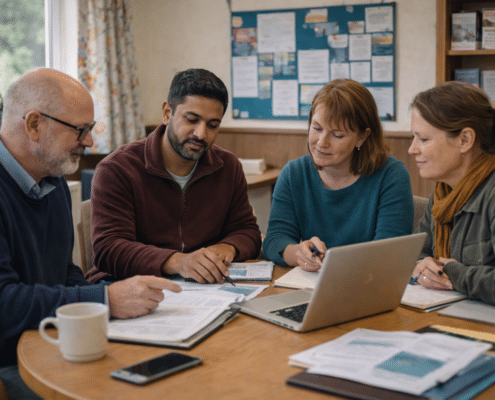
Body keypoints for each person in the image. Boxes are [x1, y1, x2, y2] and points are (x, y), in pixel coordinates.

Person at [0, 68, 181, 399]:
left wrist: (109, 300)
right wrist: (105, 300)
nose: (90, 141)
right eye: (80, 130)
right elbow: (4, 304)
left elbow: (64, 274)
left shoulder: (51, 181)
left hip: (56, 342)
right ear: (34, 125)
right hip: (11, 363)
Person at [85, 69, 261, 284]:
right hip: (130, 285)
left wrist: (228, 247)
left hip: (202, 288)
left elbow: (247, 230)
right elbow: (109, 249)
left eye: (212, 125)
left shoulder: (228, 166)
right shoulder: (117, 168)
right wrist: (178, 262)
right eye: (192, 120)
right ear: (167, 113)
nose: (201, 134)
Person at [263, 79, 414, 270]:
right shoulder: (294, 173)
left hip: (366, 285)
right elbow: (275, 240)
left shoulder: (391, 175)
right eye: (316, 128)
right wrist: (298, 253)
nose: (321, 142)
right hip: (310, 285)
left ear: (362, 136)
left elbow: (389, 252)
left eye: (337, 135)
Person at [409, 81, 495, 305]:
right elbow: (415, 252)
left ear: (465, 140)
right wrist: (422, 264)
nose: (412, 149)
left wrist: (454, 274)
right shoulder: (444, 190)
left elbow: (451, 272)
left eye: (424, 139)